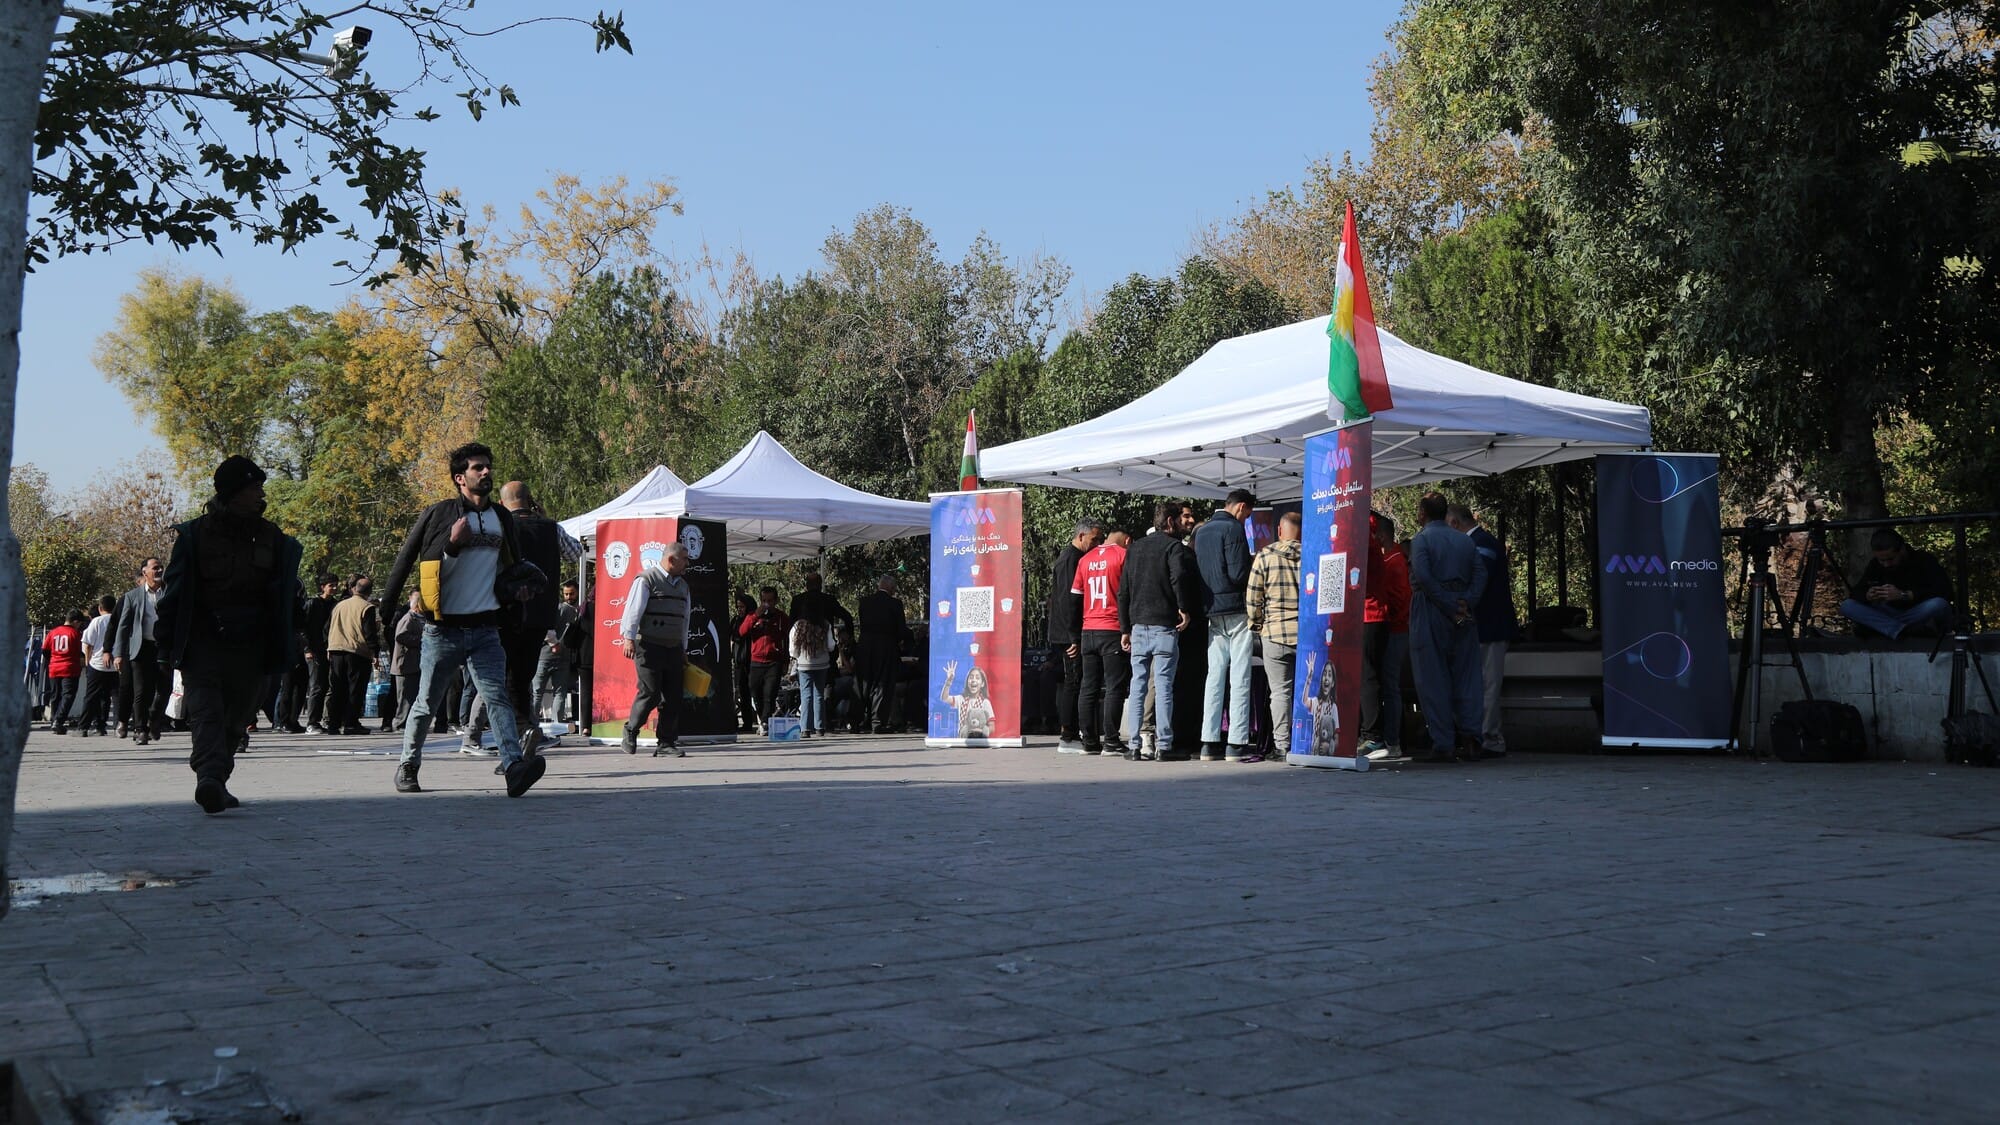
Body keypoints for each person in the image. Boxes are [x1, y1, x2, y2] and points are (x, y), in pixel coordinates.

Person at [380, 442, 546, 797]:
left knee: (497, 697)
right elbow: (411, 560)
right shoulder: (440, 514)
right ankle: (408, 764)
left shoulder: (501, 518)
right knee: (426, 703)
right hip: (443, 630)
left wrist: (517, 592)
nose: (485, 472)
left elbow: (508, 567)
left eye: (488, 466)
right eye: (477, 468)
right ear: (460, 478)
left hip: (486, 628)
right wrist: (452, 546)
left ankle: (514, 767)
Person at [156, 456, 304, 813]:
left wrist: (290, 632)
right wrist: (165, 643)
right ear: (233, 493)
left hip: (253, 645)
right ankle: (209, 776)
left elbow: (286, 593)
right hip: (204, 642)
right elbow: (174, 594)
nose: (261, 495)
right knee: (206, 713)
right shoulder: (194, 536)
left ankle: (216, 780)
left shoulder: (272, 537)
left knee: (237, 718)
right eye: (254, 488)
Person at [1408, 492, 1488, 763]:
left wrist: (1448, 604)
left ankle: (1443, 743)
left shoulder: (1421, 540)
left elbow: (1423, 576)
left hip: (1431, 608)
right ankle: (1472, 738)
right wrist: (1467, 601)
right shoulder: (1464, 540)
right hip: (1463, 608)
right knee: (1467, 676)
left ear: (1422, 513)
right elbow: (1481, 573)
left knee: (1432, 677)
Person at [1121, 501, 1199, 761]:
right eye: (1178, 519)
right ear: (1169, 522)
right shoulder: (1173, 547)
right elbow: (1178, 578)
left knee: (1137, 685)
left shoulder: (1134, 548)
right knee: (1164, 686)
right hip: (1164, 625)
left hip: (1137, 626)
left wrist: (1125, 627)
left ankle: (1134, 746)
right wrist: (1184, 608)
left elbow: (1124, 590)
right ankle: (1164, 746)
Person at [1193, 490, 1257, 762]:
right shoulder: (1233, 529)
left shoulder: (1202, 532)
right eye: (1247, 515)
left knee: (1214, 675)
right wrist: (1252, 562)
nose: (1246, 520)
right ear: (1241, 507)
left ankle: (1208, 742)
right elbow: (1238, 573)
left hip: (1211, 609)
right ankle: (1236, 743)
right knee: (1240, 675)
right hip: (1236, 609)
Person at [1448, 504, 1514, 757]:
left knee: (1488, 686)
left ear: (1454, 523)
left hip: (1490, 626)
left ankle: (1490, 739)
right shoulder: (1482, 542)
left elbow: (1477, 579)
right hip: (1484, 626)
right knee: (1483, 685)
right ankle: (1481, 737)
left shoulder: (1482, 544)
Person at [619, 541, 692, 757]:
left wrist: (683, 648)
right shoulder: (647, 579)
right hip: (648, 646)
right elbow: (633, 610)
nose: (687, 564)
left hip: (673, 648)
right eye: (684, 559)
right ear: (671, 559)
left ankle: (666, 743)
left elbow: (685, 619)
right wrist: (628, 638)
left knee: (673, 697)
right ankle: (631, 730)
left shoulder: (683, 586)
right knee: (650, 692)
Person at [1246, 510, 1302, 762]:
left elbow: (1253, 597)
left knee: (1279, 693)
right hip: (1307, 635)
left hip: (1274, 633)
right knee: (1308, 691)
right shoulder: (1314, 555)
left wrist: (1257, 624)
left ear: (1279, 531)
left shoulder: (1264, 555)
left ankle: (1282, 745)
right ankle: (1307, 741)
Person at [1072, 528, 1130, 756]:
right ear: (1127, 541)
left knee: (1089, 686)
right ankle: (1112, 741)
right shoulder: (1122, 556)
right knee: (1115, 686)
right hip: (1112, 628)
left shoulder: (1085, 559)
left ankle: (1089, 741)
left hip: (1088, 629)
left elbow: (1075, 597)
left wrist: (1075, 632)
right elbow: (1127, 592)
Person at [1048, 520, 1104, 753]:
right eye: (1094, 539)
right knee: (1073, 682)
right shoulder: (1071, 560)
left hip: (1070, 631)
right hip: (1068, 633)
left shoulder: (1075, 558)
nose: (1097, 544)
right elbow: (1067, 600)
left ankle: (1072, 732)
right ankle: (1068, 735)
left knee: (1076, 681)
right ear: (1081, 536)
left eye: (1100, 540)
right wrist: (1073, 637)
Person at [1838, 528, 1954, 640]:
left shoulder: (1924, 559)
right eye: (1881, 560)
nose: (1886, 564)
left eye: (1891, 559)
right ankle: (1900, 630)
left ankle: (1883, 629)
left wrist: (1904, 595)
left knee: (1939, 605)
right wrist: (1868, 595)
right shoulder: (1875, 565)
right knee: (1847, 606)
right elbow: (1856, 593)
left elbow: (1945, 591)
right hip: (1886, 614)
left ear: (1902, 550)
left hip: (1916, 612)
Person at [1359, 512, 1411, 758]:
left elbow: (1400, 598)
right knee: (1383, 682)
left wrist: (1394, 620)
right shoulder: (1386, 556)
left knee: (1383, 682)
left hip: (1388, 625)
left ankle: (1387, 739)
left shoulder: (1393, 559)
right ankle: (1390, 739)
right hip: (1386, 623)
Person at [112, 557, 167, 745]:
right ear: (145, 572)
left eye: (161, 567)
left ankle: (154, 718)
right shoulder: (132, 596)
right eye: (155, 568)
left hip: (164, 648)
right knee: (142, 690)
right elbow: (123, 626)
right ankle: (140, 728)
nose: (159, 571)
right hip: (141, 648)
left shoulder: (169, 593)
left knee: (164, 689)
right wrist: (118, 653)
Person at [324, 575, 380, 735]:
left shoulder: (339, 605)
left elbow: (327, 628)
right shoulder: (367, 607)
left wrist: (329, 646)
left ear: (354, 589)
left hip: (336, 650)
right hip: (357, 652)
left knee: (337, 688)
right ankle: (351, 723)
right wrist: (374, 652)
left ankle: (333, 724)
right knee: (355, 689)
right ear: (369, 591)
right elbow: (369, 633)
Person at [857, 576, 908, 734]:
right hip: (886, 648)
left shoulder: (864, 602)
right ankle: (877, 722)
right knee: (881, 684)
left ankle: (857, 720)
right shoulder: (895, 604)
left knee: (863, 684)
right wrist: (900, 641)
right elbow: (901, 629)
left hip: (865, 647)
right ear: (891, 588)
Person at [736, 586, 788, 734]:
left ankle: (765, 722)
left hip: (774, 661)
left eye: (770, 601)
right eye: (764, 600)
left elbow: (786, 640)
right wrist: (755, 617)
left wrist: (786, 661)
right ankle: (763, 718)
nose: (767, 604)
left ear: (775, 601)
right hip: (756, 661)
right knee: (755, 691)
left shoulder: (781, 617)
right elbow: (742, 631)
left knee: (769, 694)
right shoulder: (753, 615)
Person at [535, 579, 583, 724]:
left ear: (577, 592)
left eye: (571, 594)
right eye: (566, 594)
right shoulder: (576, 612)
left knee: (539, 692)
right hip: (556, 655)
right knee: (557, 693)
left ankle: (531, 723)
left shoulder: (561, 609)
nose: (568, 597)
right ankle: (556, 725)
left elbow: (544, 627)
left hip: (550, 655)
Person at [299, 573, 339, 733]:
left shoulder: (335, 605)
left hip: (329, 649)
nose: (334, 588)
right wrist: (307, 649)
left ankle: (326, 719)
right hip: (314, 650)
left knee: (328, 686)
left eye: (335, 585)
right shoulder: (312, 604)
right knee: (317, 686)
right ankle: (312, 722)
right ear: (323, 587)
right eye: (331, 585)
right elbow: (303, 627)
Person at [74, 595, 119, 736]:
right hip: (115, 664)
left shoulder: (97, 621)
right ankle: (116, 726)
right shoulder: (119, 620)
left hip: (98, 664)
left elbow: (88, 643)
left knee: (91, 696)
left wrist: (88, 661)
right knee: (115, 696)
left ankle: (83, 727)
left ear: (100, 608)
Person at [42, 611, 85, 734]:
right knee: (68, 695)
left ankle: (54, 721)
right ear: (75, 622)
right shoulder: (75, 634)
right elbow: (80, 651)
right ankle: (58, 720)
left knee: (55, 695)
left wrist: (53, 660)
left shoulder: (53, 632)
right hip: (70, 668)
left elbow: (45, 650)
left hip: (54, 667)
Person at [790, 614, 833, 738]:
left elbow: (793, 649)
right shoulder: (825, 624)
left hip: (804, 664)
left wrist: (798, 656)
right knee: (819, 694)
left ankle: (805, 728)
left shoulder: (798, 625)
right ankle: (820, 727)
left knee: (806, 695)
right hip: (822, 664)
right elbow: (831, 646)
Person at [937, 660, 996, 738]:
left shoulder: (985, 702)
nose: (973, 680)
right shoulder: (961, 699)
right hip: (962, 740)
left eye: (977, 678)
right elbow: (944, 698)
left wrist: (981, 731)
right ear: (967, 682)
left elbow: (992, 727)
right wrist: (949, 681)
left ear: (982, 684)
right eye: (971, 677)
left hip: (979, 741)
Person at [728, 592, 758, 733]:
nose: (739, 610)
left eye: (742, 607)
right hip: (739, 662)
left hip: (752, 661)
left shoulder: (753, 620)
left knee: (755, 691)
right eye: (738, 607)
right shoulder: (735, 620)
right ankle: (747, 722)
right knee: (743, 693)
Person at [788, 572, 853, 637]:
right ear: (820, 585)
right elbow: (847, 617)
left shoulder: (797, 601)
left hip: (804, 641)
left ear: (807, 585)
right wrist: (849, 636)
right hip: (826, 640)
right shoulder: (829, 600)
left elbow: (790, 624)